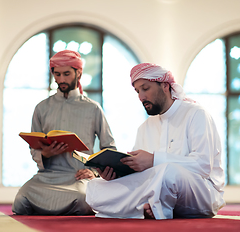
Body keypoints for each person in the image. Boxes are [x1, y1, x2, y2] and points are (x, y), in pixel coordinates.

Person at [86, 63, 226, 219]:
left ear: (165, 86)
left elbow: (203, 165)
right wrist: (115, 175)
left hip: (201, 192)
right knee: (95, 187)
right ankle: (153, 206)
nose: (141, 97)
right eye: (137, 91)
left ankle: (147, 207)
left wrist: (154, 160)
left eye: (145, 89)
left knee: (168, 172)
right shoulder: (144, 128)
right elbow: (140, 174)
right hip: (156, 188)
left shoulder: (196, 114)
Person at [12, 50, 116, 215]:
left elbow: (109, 148)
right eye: (57, 74)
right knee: (20, 202)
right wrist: (44, 154)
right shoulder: (42, 108)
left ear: (79, 72)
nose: (61, 79)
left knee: (82, 200)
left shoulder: (93, 108)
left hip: (77, 177)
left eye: (66, 74)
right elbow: (34, 149)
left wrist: (95, 172)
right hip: (46, 176)